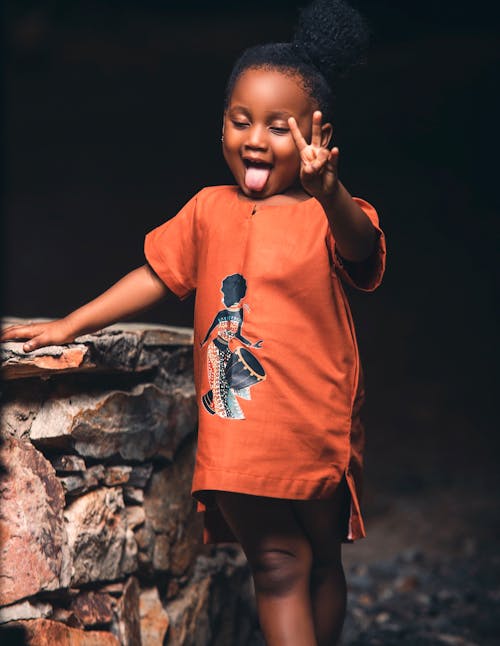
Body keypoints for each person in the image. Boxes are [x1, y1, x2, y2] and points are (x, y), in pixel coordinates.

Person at [1, 1, 386, 643]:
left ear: (318, 135)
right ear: (223, 127)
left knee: (322, 560)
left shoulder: (329, 211)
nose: (256, 138)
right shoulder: (208, 210)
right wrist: (71, 323)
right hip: (238, 431)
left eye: (280, 126)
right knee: (278, 563)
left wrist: (332, 192)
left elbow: (363, 249)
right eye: (242, 121)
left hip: (317, 422)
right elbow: (155, 274)